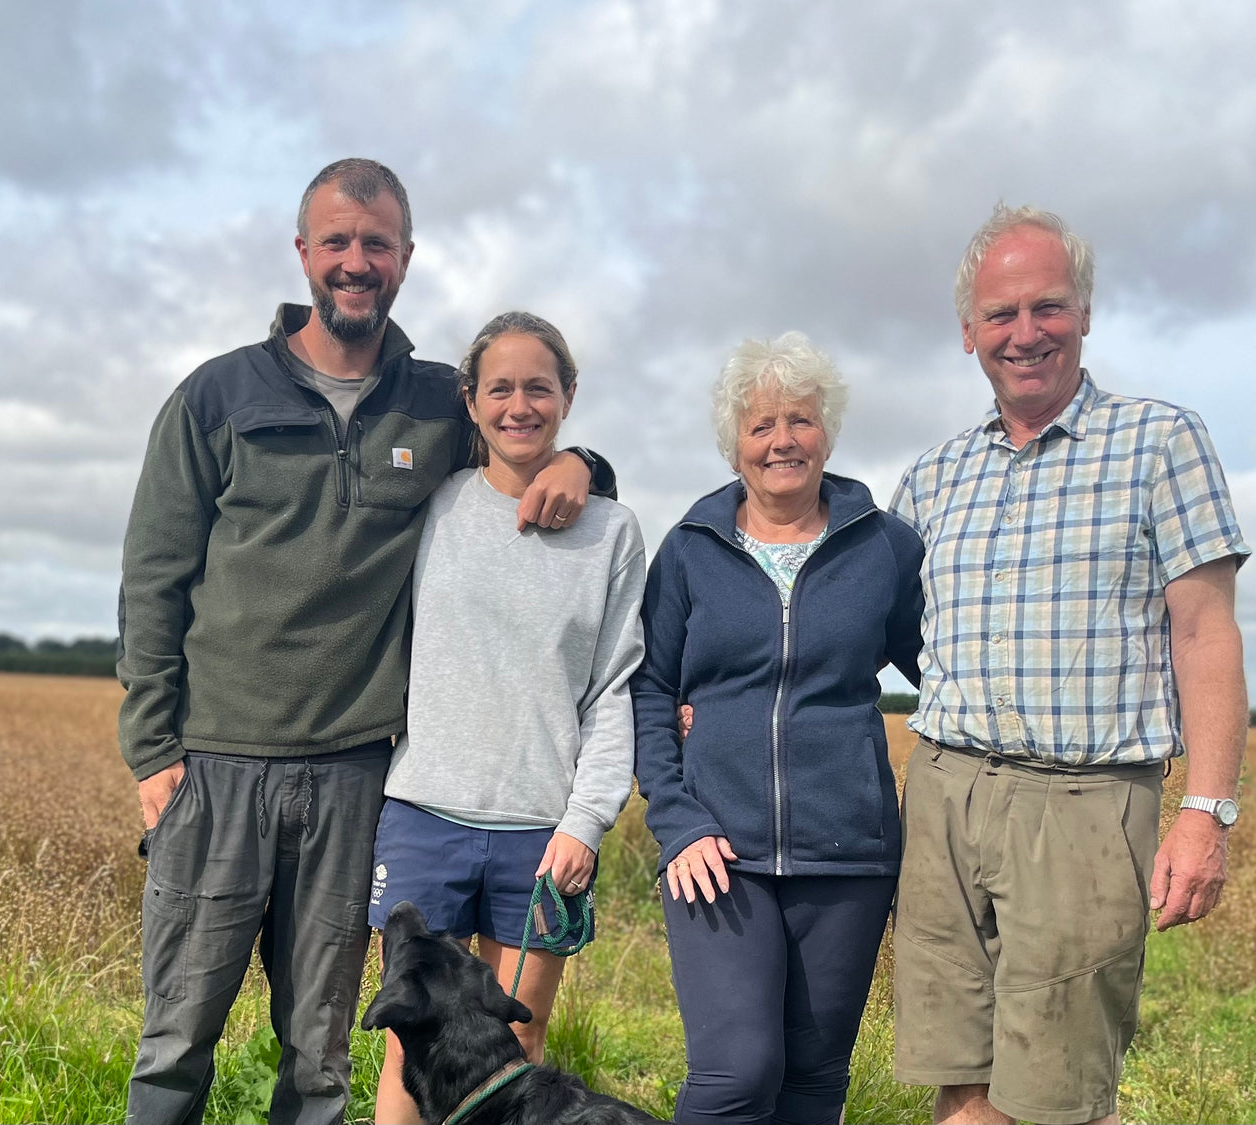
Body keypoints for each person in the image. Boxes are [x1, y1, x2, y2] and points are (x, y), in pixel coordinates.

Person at [117, 159, 612, 1125]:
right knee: (177, 1037)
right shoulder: (216, 397)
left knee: (324, 1051)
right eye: (337, 241)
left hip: (355, 778)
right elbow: (152, 580)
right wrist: (153, 750)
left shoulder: (438, 403)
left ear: (406, 259)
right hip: (216, 767)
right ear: (304, 252)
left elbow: (523, 440)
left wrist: (582, 461)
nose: (356, 261)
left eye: (376, 244)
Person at [890, 203, 1250, 1125]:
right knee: (959, 1078)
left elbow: (1206, 633)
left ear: (1084, 312)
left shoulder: (1160, 442)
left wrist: (1204, 815)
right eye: (1002, 314)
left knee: (1058, 1095)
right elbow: (872, 624)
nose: (1026, 333)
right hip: (943, 793)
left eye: (1047, 307)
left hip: (1086, 803)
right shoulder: (934, 476)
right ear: (968, 330)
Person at [632, 332, 925, 1125]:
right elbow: (652, 689)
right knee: (738, 1073)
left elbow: (944, 669)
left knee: (814, 1077)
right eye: (761, 425)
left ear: (826, 432)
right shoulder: (690, 551)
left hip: (849, 856)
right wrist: (677, 818)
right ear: (735, 444)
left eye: (799, 420)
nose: (782, 440)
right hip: (717, 851)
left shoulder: (886, 548)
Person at [368, 311, 646, 1124]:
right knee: (407, 1049)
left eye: (539, 387)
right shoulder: (434, 504)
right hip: (425, 813)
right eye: (499, 387)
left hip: (541, 830)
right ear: (470, 398)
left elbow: (612, 689)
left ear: (568, 396)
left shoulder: (614, 532)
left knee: (511, 1059)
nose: (519, 405)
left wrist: (586, 822)